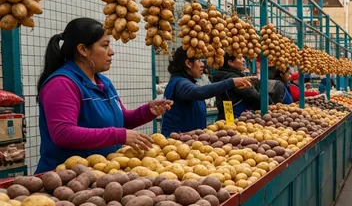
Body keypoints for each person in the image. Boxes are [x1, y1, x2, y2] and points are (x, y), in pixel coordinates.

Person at [36, 18, 173, 174]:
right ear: (83, 50)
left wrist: (147, 111)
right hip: (65, 180)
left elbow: (120, 120)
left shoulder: (103, 82)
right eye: (105, 45)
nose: (111, 52)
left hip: (100, 175)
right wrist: (118, 136)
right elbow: (63, 133)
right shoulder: (62, 84)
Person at [161, 48, 255, 136]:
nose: (203, 64)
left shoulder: (187, 82)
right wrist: (231, 82)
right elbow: (198, 92)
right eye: (199, 61)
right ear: (188, 63)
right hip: (176, 141)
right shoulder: (179, 83)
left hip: (189, 140)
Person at [211, 53, 261, 120]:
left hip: (227, 116)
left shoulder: (222, 75)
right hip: (235, 117)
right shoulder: (234, 78)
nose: (243, 60)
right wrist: (268, 103)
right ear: (230, 62)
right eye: (240, 58)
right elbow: (253, 95)